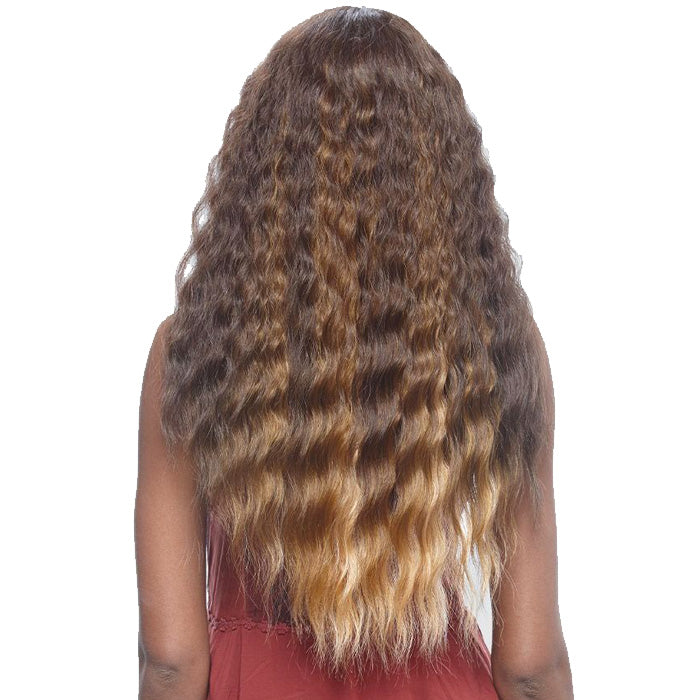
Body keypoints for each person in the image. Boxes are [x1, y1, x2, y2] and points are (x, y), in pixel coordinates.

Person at [134, 6, 574, 699]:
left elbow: (171, 660)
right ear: (439, 178)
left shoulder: (192, 349)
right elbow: (529, 665)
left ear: (264, 174)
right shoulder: (500, 350)